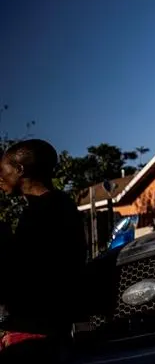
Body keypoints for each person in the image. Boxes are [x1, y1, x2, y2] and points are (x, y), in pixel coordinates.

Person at [0, 140, 86, 363]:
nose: (0, 177)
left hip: (35, 336)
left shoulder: (42, 214)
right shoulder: (61, 205)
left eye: (2, 170)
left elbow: (25, 274)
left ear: (20, 170)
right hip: (52, 329)